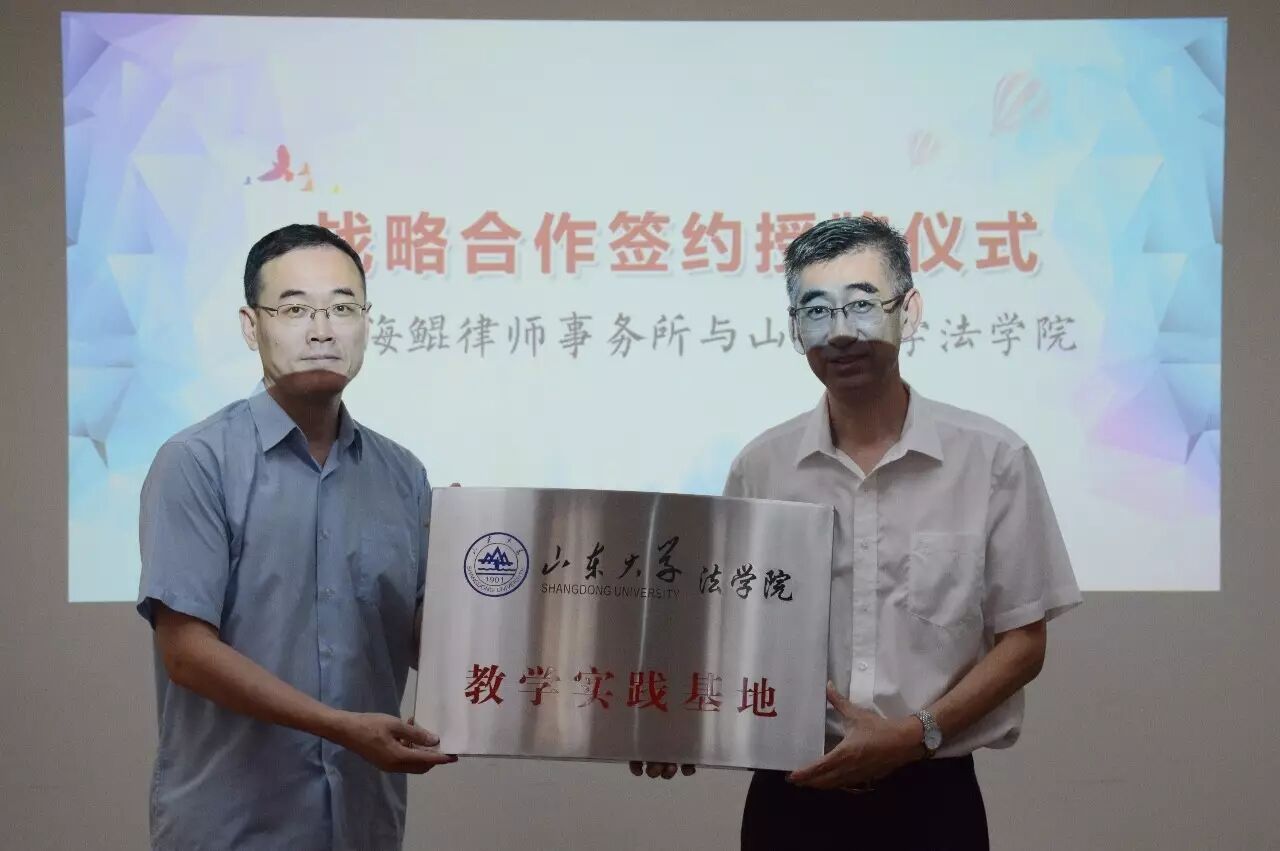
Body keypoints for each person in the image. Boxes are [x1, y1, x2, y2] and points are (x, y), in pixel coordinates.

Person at [724, 215, 1082, 848]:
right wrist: (668, 727)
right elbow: (727, 631)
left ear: (909, 312)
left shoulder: (992, 458)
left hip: (932, 800)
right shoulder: (762, 467)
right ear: (794, 329)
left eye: (862, 305)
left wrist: (915, 735)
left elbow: (1024, 642)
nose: (840, 333)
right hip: (792, 796)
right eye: (817, 311)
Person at [136, 224, 454, 850]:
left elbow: (425, 638)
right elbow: (186, 652)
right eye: (295, 309)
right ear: (251, 326)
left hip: (363, 823)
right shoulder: (197, 462)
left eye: (343, 307)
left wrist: (628, 717)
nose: (322, 330)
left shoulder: (403, 475)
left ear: (367, 323)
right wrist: (338, 727)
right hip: (232, 827)